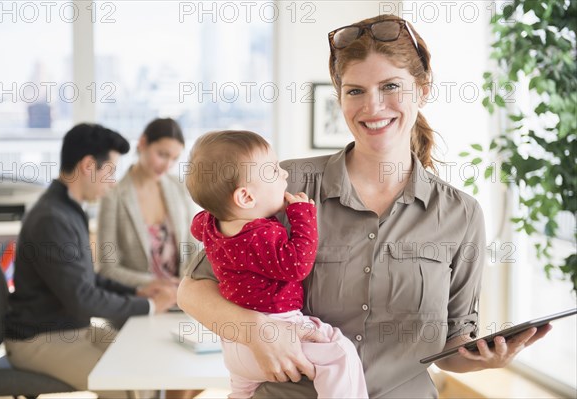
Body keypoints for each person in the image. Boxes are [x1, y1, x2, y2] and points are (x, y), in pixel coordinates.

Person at [177, 14, 552, 398]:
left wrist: (482, 359)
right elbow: (192, 289)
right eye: (355, 91)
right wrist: (255, 331)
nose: (373, 107)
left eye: (390, 86)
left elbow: (451, 346)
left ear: (421, 90)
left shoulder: (460, 214)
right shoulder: (285, 186)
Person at [185, 131, 368, 399]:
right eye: (272, 170)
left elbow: (196, 225)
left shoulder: (210, 224)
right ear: (246, 198)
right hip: (278, 330)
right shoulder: (260, 235)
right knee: (339, 352)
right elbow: (296, 265)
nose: (283, 174)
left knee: (242, 393)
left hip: (236, 349)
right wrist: (303, 215)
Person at [4, 123, 177, 398]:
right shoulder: (52, 218)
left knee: (146, 366)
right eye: (109, 171)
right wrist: (150, 305)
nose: (111, 182)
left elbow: (86, 277)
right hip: (38, 340)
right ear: (87, 166)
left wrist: (136, 292)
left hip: (71, 329)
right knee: (125, 385)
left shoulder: (69, 210)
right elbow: (82, 298)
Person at [97, 118, 197, 288]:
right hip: (140, 302)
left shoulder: (179, 188)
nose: (167, 165)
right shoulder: (113, 196)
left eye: (174, 159)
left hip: (181, 300)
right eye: (162, 155)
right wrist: (154, 283)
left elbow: (194, 250)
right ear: (143, 143)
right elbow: (107, 268)